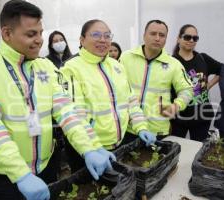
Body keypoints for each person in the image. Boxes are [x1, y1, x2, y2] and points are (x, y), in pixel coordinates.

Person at [0, 1, 113, 200]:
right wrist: (21, 174)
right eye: (31, 34)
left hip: (47, 167)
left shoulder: (45, 66)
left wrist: (90, 147)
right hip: (6, 175)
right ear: (7, 34)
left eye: (41, 33)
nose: (40, 40)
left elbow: (67, 112)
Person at [61, 19, 156, 172]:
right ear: (82, 40)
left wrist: (141, 127)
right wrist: (93, 148)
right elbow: (75, 115)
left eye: (107, 36)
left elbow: (131, 102)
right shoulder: (71, 69)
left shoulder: (117, 65)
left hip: (119, 144)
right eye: (96, 35)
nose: (103, 40)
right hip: (88, 150)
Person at [120, 19, 193, 137]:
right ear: (144, 35)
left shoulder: (174, 64)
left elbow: (187, 90)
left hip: (157, 130)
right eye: (153, 34)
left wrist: (177, 105)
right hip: (128, 127)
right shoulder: (126, 57)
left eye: (162, 35)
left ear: (166, 39)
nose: (157, 38)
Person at [171, 24, 223, 141]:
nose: (191, 40)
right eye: (187, 37)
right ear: (178, 38)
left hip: (202, 116)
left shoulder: (202, 58)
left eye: (195, 38)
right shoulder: (171, 62)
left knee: (199, 151)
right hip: (178, 118)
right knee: (176, 150)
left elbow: (223, 70)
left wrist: (209, 85)